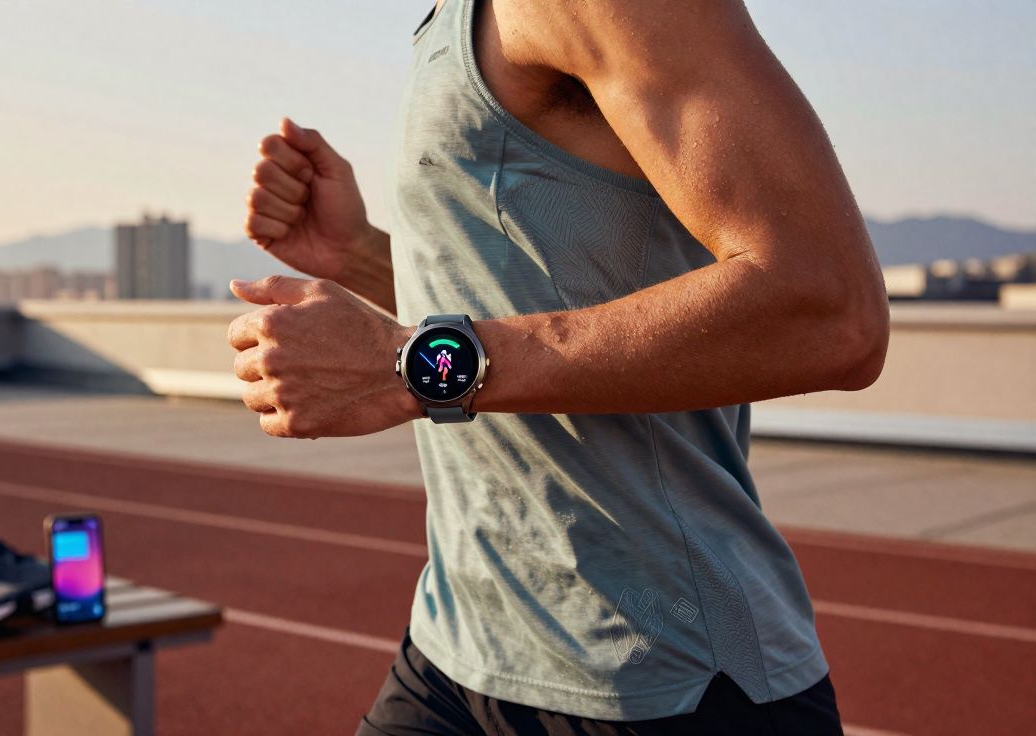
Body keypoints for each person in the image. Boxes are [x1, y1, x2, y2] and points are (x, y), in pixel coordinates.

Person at [227, 0, 888, 733]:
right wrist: (357, 254)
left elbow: (829, 311)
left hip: (662, 676)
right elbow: (538, 289)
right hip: (459, 646)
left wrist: (407, 366)